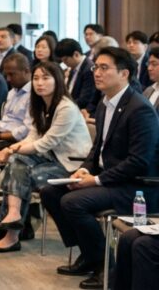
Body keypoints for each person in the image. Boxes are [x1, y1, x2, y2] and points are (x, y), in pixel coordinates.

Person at [40, 47, 159, 289]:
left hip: (135, 186)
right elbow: (97, 150)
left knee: (74, 202)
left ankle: (104, 265)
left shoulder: (140, 109)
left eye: (104, 68)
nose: (97, 73)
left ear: (124, 73)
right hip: (110, 179)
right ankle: (89, 253)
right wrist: (84, 169)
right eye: (96, 67)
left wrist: (95, 180)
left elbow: (138, 162)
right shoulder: (105, 104)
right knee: (50, 192)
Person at [0, 61, 92, 253]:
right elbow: (33, 136)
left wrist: (10, 150)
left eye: (45, 78)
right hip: (50, 158)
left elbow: (46, 142)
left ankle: (11, 232)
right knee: (16, 164)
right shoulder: (39, 104)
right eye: (36, 78)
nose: (39, 83)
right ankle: (13, 216)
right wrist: (13, 150)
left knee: (20, 172)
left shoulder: (66, 108)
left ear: (58, 80)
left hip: (72, 164)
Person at [56, 38, 101, 116]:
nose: (65, 63)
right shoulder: (74, 67)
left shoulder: (89, 69)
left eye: (66, 60)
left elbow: (85, 98)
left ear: (76, 54)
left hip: (81, 112)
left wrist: (65, 108)